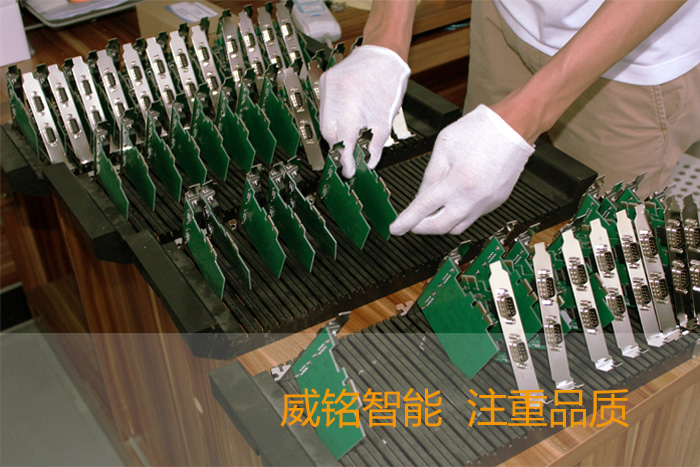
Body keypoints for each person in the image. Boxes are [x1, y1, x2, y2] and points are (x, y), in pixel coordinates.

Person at [318, 0, 700, 236]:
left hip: (631, 54)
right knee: (471, 200)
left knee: (603, 244)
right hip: (503, 16)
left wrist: (526, 117)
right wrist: (385, 37)